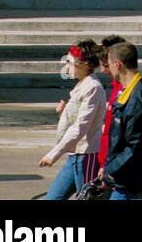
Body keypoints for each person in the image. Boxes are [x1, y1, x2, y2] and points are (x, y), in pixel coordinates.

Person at [39, 39, 106, 199]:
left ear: (85, 64)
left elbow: (81, 127)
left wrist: (53, 154)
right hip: (74, 155)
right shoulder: (83, 85)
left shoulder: (93, 87)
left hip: (86, 155)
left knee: (87, 196)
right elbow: (78, 121)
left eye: (70, 62)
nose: (67, 66)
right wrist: (64, 113)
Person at [98, 42, 142, 200]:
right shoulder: (130, 90)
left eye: (108, 64)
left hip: (129, 182)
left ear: (117, 64)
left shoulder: (137, 96)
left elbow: (134, 145)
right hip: (133, 178)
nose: (107, 69)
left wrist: (111, 168)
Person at [96, 34, 127, 173]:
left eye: (106, 65)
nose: (103, 70)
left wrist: (106, 165)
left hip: (120, 165)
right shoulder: (116, 88)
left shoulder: (129, 91)